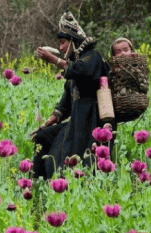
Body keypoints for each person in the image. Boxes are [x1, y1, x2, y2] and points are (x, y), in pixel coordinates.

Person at [32, 12, 112, 180]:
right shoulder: (73, 68)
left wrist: (55, 60)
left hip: (91, 121)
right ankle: (39, 183)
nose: (61, 48)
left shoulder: (92, 57)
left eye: (63, 43)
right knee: (42, 137)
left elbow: (82, 70)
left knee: (79, 160)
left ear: (74, 41)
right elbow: (65, 103)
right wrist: (48, 122)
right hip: (76, 120)